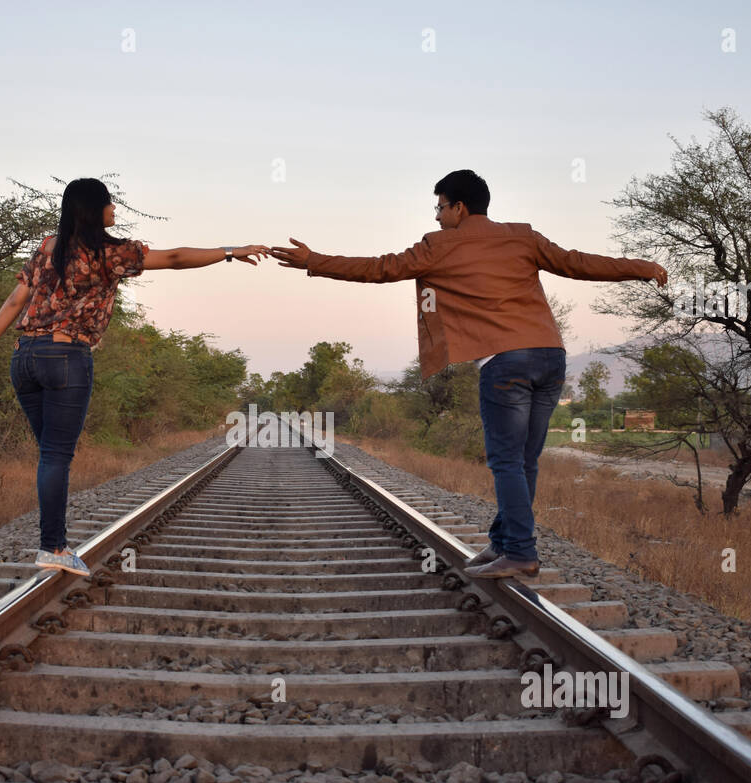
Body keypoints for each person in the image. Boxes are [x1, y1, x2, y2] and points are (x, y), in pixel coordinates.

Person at [272, 169, 666, 580]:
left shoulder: (439, 245)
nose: (437, 217)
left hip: (506, 362)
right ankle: (503, 541)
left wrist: (313, 261)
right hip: (550, 356)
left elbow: (380, 268)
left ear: (459, 207)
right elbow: (577, 264)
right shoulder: (523, 236)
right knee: (524, 460)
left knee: (506, 461)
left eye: (440, 208)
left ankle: (519, 551)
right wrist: (639, 267)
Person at [0, 177, 270, 575]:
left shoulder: (48, 248)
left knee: (50, 455)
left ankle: (52, 544)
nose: (115, 210)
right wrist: (231, 251)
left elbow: (16, 299)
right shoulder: (110, 254)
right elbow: (177, 258)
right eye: (109, 204)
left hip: (23, 357)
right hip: (65, 356)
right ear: (93, 210)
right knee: (56, 456)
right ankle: (53, 549)